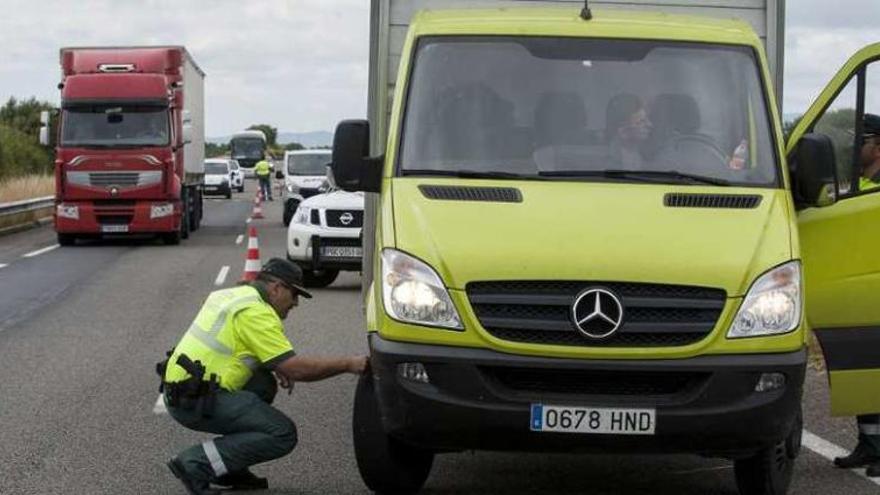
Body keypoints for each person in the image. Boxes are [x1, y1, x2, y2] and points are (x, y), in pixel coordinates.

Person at [160, 258, 368, 494]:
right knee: (282, 433)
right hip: (195, 400)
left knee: (263, 384)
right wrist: (349, 363)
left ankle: (229, 466)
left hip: (181, 389)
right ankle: (195, 463)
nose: (296, 303)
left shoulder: (231, 295)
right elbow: (296, 369)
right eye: (294, 294)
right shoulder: (257, 313)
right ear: (277, 288)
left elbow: (236, 340)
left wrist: (275, 366)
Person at [605, 93, 653, 169]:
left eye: (647, 119)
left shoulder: (650, 156)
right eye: (641, 121)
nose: (650, 125)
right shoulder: (604, 163)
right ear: (622, 130)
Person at [858, 113, 880, 192]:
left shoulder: (876, 191)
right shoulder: (856, 181)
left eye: (860, 141)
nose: (854, 146)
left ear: (878, 150)